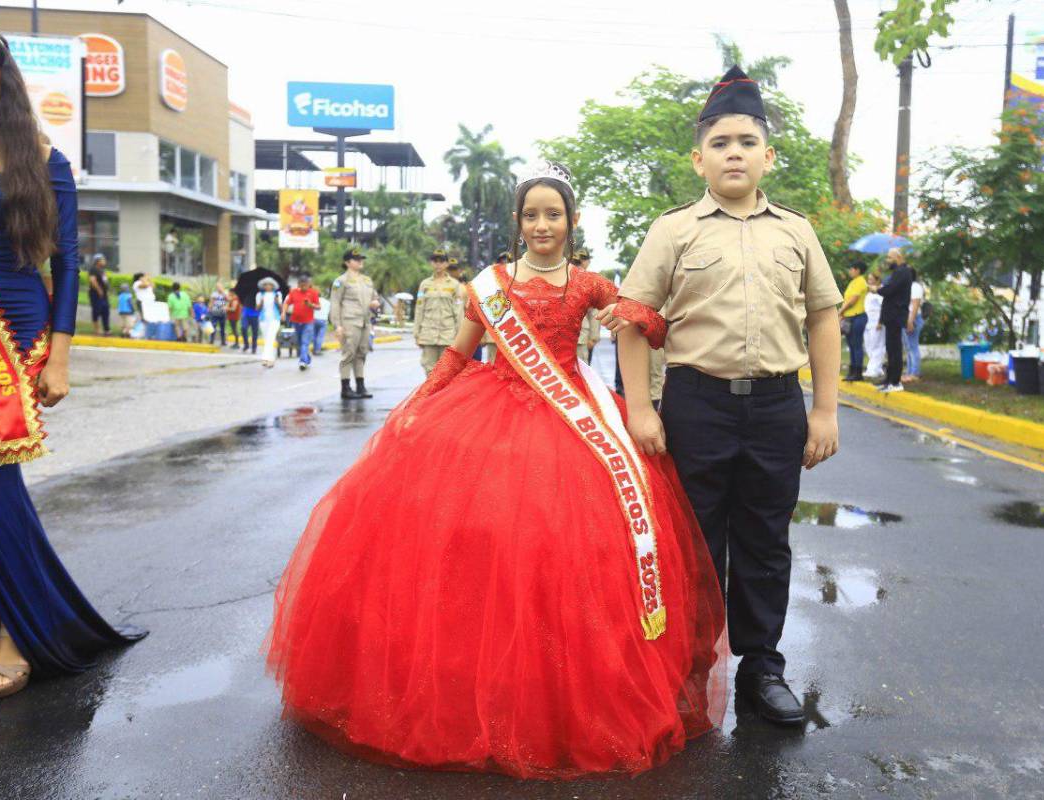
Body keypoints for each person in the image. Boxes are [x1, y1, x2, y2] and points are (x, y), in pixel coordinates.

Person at [267, 162, 725, 777]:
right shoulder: (490, 284)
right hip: (489, 414)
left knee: (568, 550)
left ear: (572, 220)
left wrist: (644, 318)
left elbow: (640, 321)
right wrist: (418, 407)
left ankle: (564, 691)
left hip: (572, 417)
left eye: (553, 214)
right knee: (474, 548)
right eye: (531, 214)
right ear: (518, 222)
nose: (542, 225)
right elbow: (458, 354)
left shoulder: (589, 284)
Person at [601, 66, 842, 727]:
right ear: (698, 158)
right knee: (696, 542)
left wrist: (824, 409)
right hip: (696, 406)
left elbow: (824, 315)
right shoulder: (673, 230)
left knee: (765, 540)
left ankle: (762, 668)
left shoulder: (795, 231)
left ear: (767, 156)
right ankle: (688, 669)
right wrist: (643, 409)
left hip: (774, 407)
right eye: (720, 142)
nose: (733, 152)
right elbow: (633, 316)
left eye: (745, 141)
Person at [0, 19, 145, 699]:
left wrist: (61, 357)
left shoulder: (42, 157)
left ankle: (18, 636)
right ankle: (4, 623)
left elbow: (70, 259)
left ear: (2, 74)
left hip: (11, 330)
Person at [330, 247, 380, 399]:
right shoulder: (341, 281)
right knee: (349, 354)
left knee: (361, 353)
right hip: (349, 321)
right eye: (356, 259)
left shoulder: (367, 280)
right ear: (347, 262)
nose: (360, 261)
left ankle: (360, 385)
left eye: (361, 259)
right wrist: (337, 325)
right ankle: (345, 387)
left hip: (365, 321)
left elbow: (374, 297)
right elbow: (335, 303)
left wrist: (375, 302)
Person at [414, 249, 464, 375]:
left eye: (441, 261)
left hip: (448, 334)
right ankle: (431, 395)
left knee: (446, 370)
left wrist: (460, 336)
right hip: (428, 333)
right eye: (435, 261)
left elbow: (458, 312)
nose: (438, 264)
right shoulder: (424, 284)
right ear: (431, 263)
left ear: (446, 264)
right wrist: (417, 333)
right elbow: (419, 309)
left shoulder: (454, 285)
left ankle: (443, 395)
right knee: (429, 369)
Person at [872, 247, 913, 393]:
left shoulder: (903, 272)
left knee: (895, 349)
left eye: (890, 258)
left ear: (898, 258)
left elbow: (890, 290)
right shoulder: (898, 272)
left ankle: (895, 382)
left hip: (896, 315)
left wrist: (877, 289)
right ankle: (889, 379)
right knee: (890, 349)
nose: (888, 261)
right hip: (891, 316)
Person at [284, 273, 320, 372]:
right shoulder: (293, 292)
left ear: (309, 284)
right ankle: (307, 357)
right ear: (298, 284)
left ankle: (302, 361)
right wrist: (283, 314)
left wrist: (310, 305)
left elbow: (318, 307)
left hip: (308, 322)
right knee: (299, 343)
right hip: (295, 321)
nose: (304, 286)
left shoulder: (313, 293)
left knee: (305, 342)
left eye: (306, 284)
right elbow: (287, 303)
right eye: (302, 284)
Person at [841, 260, 869, 381]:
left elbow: (853, 300)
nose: (850, 271)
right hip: (849, 317)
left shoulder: (861, 282)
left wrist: (840, 311)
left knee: (856, 344)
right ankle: (851, 371)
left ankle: (858, 373)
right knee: (851, 344)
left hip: (858, 316)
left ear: (857, 270)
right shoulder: (853, 282)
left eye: (851, 268)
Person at [479, 251, 509, 363]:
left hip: (514, 338)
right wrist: (482, 335)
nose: (505, 266)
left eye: (508, 263)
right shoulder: (489, 285)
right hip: (494, 336)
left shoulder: (521, 284)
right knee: (493, 368)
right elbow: (482, 311)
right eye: (502, 263)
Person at [573, 249, 601, 364]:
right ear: (585, 262)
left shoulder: (560, 277)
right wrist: (594, 337)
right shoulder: (589, 282)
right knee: (581, 372)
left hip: (561, 337)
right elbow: (594, 313)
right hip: (581, 336)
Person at [903, 265, 925, 383]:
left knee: (913, 346)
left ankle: (915, 373)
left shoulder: (915, 286)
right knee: (908, 347)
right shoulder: (907, 286)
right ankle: (909, 372)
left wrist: (910, 321)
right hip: (907, 317)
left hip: (913, 318)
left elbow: (915, 305)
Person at [863, 272, 886, 380]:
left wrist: (880, 322)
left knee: (877, 346)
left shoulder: (880, 291)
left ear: (877, 280)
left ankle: (872, 369)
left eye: (871, 279)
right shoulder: (870, 292)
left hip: (877, 322)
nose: (869, 281)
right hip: (868, 322)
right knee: (869, 345)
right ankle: (877, 367)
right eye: (868, 279)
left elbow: (884, 308)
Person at [256, 278, 283, 367]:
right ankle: (269, 358)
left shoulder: (277, 294)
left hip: (274, 319)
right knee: (266, 339)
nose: (267, 286)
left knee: (270, 338)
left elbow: (281, 308)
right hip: (263, 319)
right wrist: (262, 301)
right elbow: (257, 308)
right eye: (265, 284)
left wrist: (276, 301)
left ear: (273, 286)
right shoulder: (259, 295)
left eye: (269, 284)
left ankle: (267, 359)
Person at [86, 254, 110, 335]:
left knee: (105, 311)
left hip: (104, 295)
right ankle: (97, 330)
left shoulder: (102, 270)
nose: (104, 261)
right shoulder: (93, 269)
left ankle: (107, 330)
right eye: (102, 259)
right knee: (96, 310)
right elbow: (93, 280)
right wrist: (99, 290)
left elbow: (105, 282)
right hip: (96, 294)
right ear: (97, 261)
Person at [208, 280, 228, 346]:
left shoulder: (225, 293)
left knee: (223, 328)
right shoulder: (214, 294)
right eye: (217, 287)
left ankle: (223, 341)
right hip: (215, 312)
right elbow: (211, 302)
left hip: (222, 313)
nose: (218, 288)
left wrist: (223, 293)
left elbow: (228, 299)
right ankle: (211, 340)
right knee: (213, 326)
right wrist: (209, 310)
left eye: (220, 286)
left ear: (222, 287)